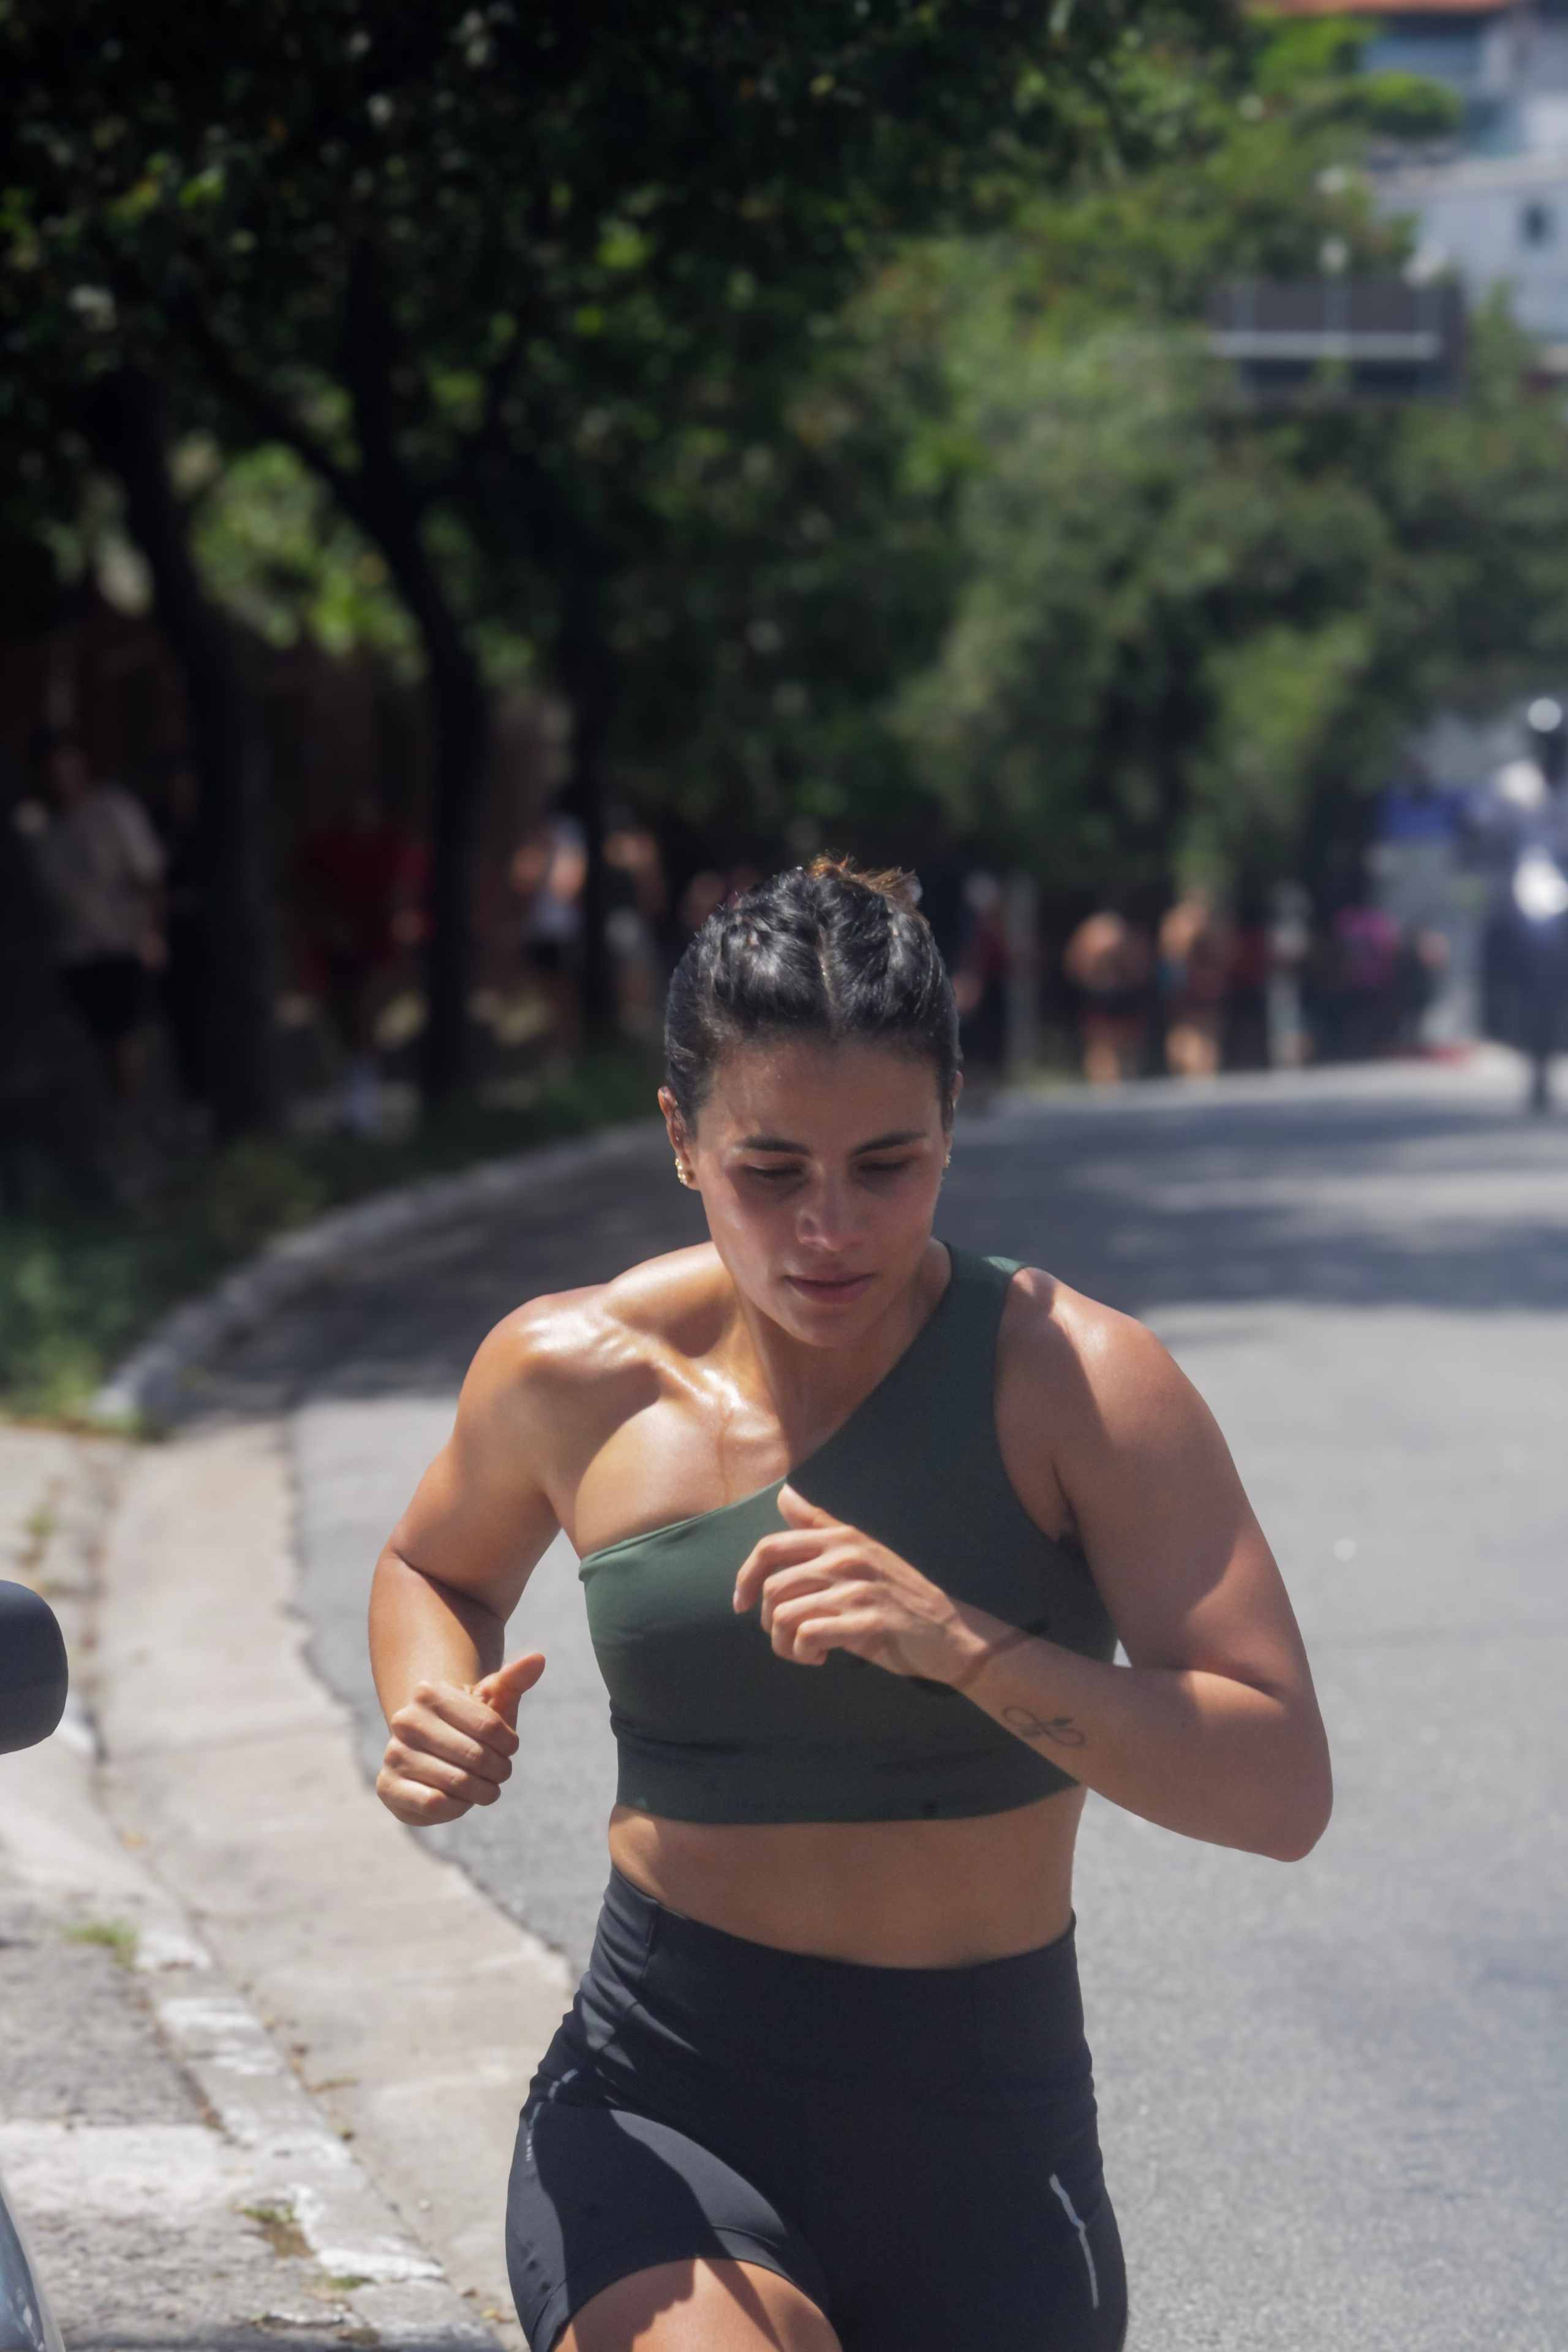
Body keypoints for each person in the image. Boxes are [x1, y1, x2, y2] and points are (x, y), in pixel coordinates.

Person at [368, 858, 1332, 2352]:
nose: (828, 1227)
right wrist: (429, 1697)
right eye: (770, 1171)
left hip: (987, 2135)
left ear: (952, 1115)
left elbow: (1274, 1788)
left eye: (887, 1164)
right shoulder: (573, 1372)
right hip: (664, 2100)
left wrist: (965, 1649)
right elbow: (436, 1568)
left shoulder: (1079, 1382)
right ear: (681, 1137)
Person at [28, 728, 165, 1110]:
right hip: (73, 949)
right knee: (88, 1042)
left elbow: (147, 876)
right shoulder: (42, 828)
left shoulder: (113, 809)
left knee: (124, 1038)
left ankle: (131, 1120)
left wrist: (152, 931)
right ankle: (107, 1120)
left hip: (120, 941)